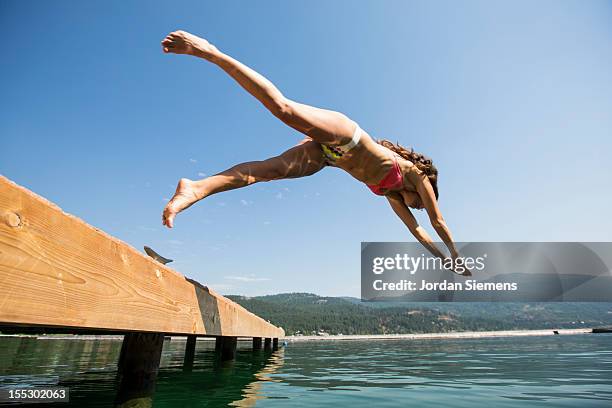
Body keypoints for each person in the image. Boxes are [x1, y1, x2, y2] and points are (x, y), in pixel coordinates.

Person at [160, 30, 470, 276]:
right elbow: (437, 222)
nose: (416, 208)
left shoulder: (392, 194)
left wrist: (443, 261)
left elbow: (418, 231)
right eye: (418, 205)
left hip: (328, 157)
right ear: (426, 184)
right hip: (346, 135)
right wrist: (456, 255)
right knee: (283, 109)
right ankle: (208, 51)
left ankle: (196, 188)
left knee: (268, 171)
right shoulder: (416, 176)